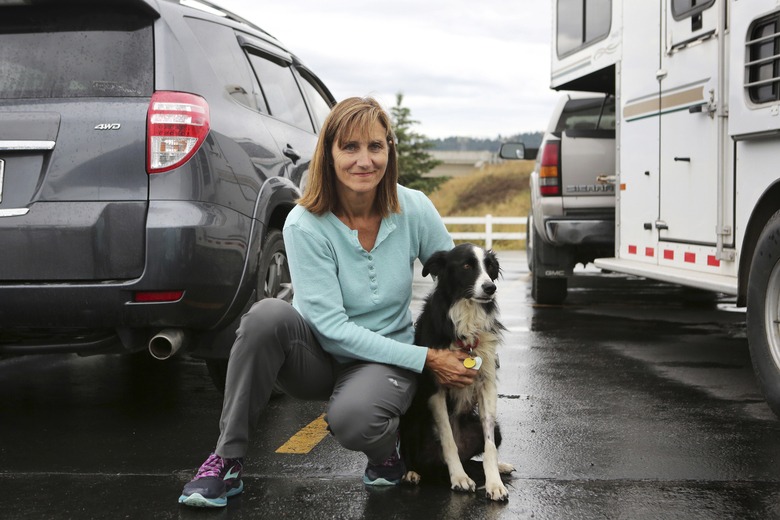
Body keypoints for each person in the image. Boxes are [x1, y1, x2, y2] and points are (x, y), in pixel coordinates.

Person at [178, 96, 478, 508]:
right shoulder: (304, 223)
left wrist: (470, 349)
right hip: (316, 355)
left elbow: (456, 278)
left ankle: (384, 456)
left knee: (354, 420)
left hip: (383, 360)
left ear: (390, 150)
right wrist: (427, 357)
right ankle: (226, 460)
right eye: (350, 147)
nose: (364, 160)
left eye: (375, 146)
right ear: (329, 154)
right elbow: (331, 328)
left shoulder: (413, 208)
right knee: (266, 315)